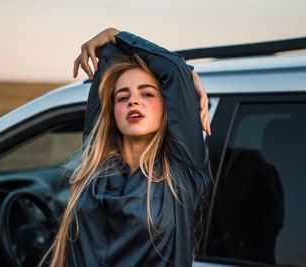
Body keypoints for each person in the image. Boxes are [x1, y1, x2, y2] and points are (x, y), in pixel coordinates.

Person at [39, 27, 212, 267]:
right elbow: (108, 59)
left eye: (147, 94)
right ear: (113, 112)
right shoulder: (94, 167)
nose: (133, 100)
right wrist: (111, 47)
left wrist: (115, 34)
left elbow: (174, 72)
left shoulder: (180, 173)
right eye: (122, 97)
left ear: (168, 110)